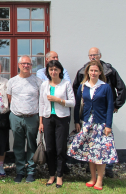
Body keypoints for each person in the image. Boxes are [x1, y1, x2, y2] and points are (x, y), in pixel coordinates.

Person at [72, 47, 126, 178]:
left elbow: (121, 88)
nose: (93, 57)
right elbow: (76, 92)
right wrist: (79, 114)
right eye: (90, 55)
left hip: (102, 114)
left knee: (104, 145)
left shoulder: (109, 71)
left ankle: (107, 169)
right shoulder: (82, 72)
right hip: (88, 116)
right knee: (89, 143)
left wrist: (116, 105)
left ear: (100, 55)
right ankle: (91, 172)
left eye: (95, 55)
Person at [68, 60, 118, 190]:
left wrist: (108, 125)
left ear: (100, 72)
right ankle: (93, 178)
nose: (93, 73)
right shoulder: (83, 86)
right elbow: (77, 105)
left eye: (96, 70)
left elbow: (109, 107)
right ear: (88, 72)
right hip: (86, 123)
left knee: (100, 152)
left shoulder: (105, 87)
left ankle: (100, 180)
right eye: (91, 70)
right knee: (90, 152)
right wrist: (77, 121)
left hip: (101, 124)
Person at [38, 60, 75, 188]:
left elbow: (72, 102)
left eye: (55, 69)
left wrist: (58, 100)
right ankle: (51, 175)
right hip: (48, 118)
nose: (53, 72)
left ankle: (59, 176)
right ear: (47, 71)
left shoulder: (66, 84)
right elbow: (41, 104)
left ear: (60, 71)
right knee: (50, 148)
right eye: (51, 69)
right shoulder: (44, 84)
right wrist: (41, 122)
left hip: (62, 118)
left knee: (60, 148)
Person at [7, 55, 42, 183]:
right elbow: (9, 98)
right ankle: (20, 171)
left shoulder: (38, 82)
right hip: (16, 116)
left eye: (29, 64)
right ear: (19, 65)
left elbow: (41, 100)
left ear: (31, 66)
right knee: (18, 145)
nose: (26, 66)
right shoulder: (12, 81)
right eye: (23, 63)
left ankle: (31, 171)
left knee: (32, 144)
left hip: (32, 117)